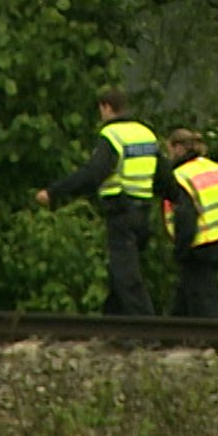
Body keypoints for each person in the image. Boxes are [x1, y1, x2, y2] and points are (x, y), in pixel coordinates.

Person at [34, 87, 178, 316]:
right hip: (143, 215)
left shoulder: (112, 136)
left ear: (106, 107)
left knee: (127, 277)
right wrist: (179, 198)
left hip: (121, 213)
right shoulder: (146, 133)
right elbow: (164, 178)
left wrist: (54, 192)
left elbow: (93, 174)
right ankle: (112, 325)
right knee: (119, 273)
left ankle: (147, 328)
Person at [161, 128, 218, 318]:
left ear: (177, 148)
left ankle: (216, 340)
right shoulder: (216, 169)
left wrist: (180, 250)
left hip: (197, 244)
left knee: (204, 301)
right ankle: (169, 334)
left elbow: (186, 218)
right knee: (186, 296)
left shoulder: (180, 176)